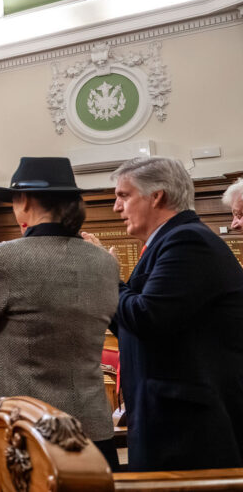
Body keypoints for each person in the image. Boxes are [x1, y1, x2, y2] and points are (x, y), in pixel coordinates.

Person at [0, 156, 119, 469]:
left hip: (19, 428)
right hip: (89, 423)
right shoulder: (104, 263)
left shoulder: (2, 258)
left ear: (24, 201)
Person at [96, 157, 243, 471]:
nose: (116, 207)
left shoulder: (187, 241)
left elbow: (149, 317)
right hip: (167, 421)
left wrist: (108, 278)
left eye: (123, 195)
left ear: (156, 196)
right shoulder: (167, 243)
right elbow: (132, 322)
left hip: (188, 430)